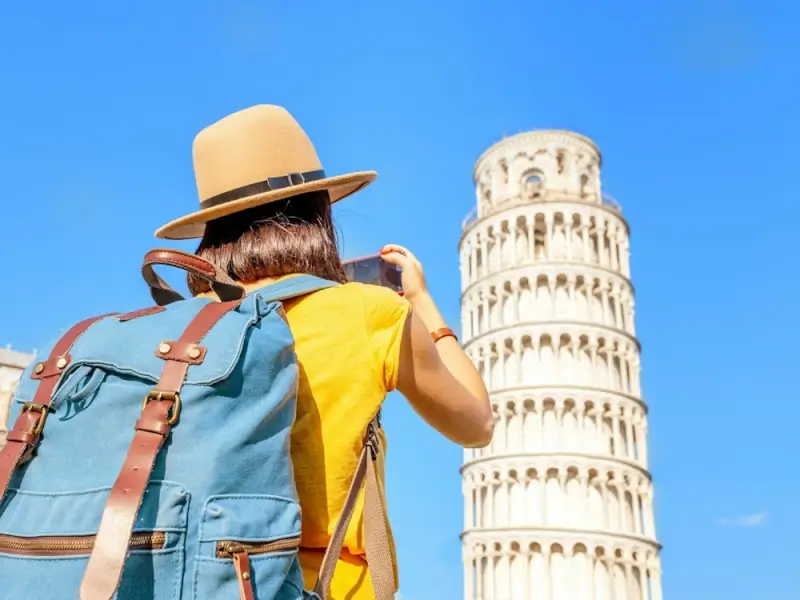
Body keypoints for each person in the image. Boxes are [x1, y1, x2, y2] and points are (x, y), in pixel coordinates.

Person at [154, 104, 492, 599]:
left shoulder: (177, 330)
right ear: (317, 214)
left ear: (212, 232)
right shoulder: (366, 312)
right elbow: (476, 424)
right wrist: (424, 306)